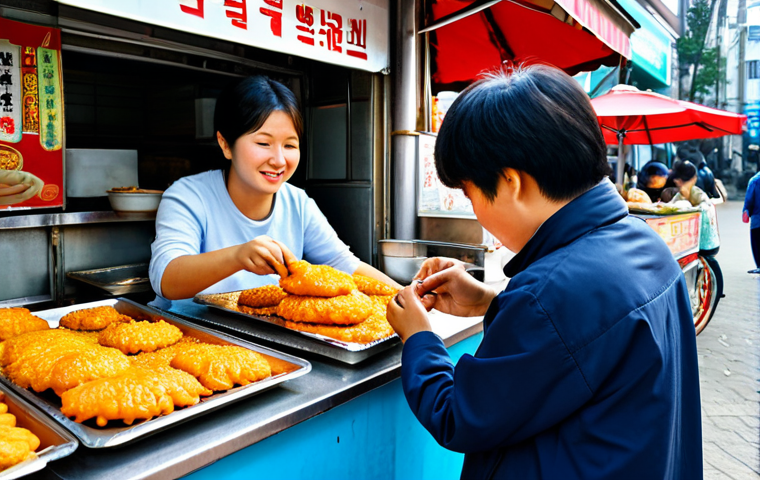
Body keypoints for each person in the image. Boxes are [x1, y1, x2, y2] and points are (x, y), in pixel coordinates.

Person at [385, 64, 702, 479]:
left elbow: (459, 415)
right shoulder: (642, 242)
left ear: (511, 182)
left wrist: (419, 337)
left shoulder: (550, 295)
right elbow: (586, 342)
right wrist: (492, 301)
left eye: (469, 192)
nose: (474, 209)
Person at [149, 76, 398, 309]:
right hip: (189, 339)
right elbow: (167, 279)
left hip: (264, 339)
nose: (279, 160)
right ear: (225, 144)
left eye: (290, 145)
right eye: (263, 143)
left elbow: (342, 264)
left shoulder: (297, 203)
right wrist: (238, 256)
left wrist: (408, 295)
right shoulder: (188, 196)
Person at [669, 160, 720, 255]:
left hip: (705, 243)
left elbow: (705, 208)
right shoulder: (679, 196)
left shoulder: (698, 194)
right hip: (687, 243)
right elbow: (670, 206)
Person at [744, 171, 760, 274]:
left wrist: (746, 211)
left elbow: (749, 200)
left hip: (757, 219)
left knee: (757, 243)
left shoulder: (755, 180)